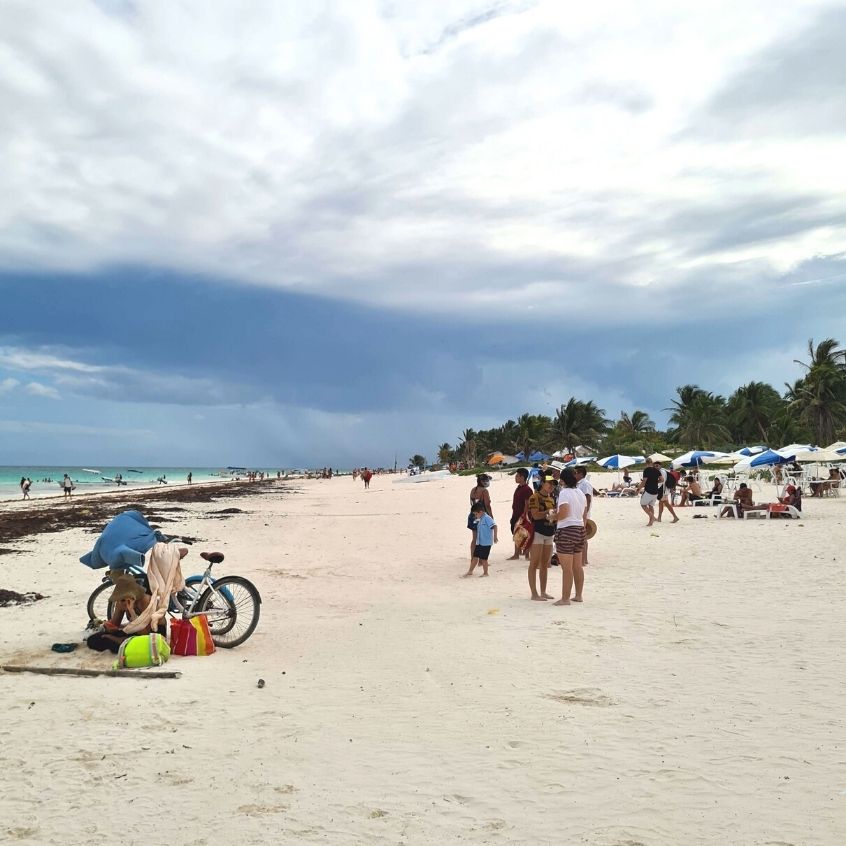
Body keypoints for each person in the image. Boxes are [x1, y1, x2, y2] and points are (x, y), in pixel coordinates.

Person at [552, 468, 587, 605]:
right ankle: (578, 595)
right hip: (579, 529)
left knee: (566, 568)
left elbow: (564, 513)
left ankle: (565, 598)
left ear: (563, 479)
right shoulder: (580, 493)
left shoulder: (564, 493)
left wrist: (553, 517)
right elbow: (583, 513)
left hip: (566, 530)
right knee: (577, 566)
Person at [526, 476, 557, 600]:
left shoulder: (551, 498)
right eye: (549, 483)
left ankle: (543, 591)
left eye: (553, 484)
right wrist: (548, 512)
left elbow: (552, 516)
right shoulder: (535, 497)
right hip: (538, 532)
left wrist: (554, 516)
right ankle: (534, 593)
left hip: (549, 532)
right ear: (542, 483)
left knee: (545, 564)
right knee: (534, 563)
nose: (551, 486)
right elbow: (535, 516)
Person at [462, 502, 497, 577]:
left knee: (484, 559)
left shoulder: (487, 518)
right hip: (479, 542)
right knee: (475, 557)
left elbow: (495, 526)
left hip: (486, 543)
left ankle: (486, 573)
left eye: (475, 514)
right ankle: (470, 571)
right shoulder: (480, 518)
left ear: (480, 512)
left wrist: (495, 537)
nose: (475, 516)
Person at [507, 469, 533, 561]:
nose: (516, 477)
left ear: (522, 477)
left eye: (517, 476)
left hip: (522, 516)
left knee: (523, 534)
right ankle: (516, 554)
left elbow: (527, 504)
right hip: (515, 514)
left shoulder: (527, 489)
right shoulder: (519, 487)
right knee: (516, 534)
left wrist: (524, 517)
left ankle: (526, 555)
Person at [467, 474, 493, 565]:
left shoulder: (472, 490)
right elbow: (487, 505)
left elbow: (472, 504)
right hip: (481, 517)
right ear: (482, 482)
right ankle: (481, 561)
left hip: (472, 516)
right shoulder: (484, 491)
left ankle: (473, 559)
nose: (487, 482)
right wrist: (491, 516)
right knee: (482, 539)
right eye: (486, 480)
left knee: (474, 539)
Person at [573, 466, 595, 564]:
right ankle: (582, 559)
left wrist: (584, 515)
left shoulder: (585, 484)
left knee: (583, 537)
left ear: (580, 474)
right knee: (580, 537)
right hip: (579, 513)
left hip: (583, 514)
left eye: (575, 473)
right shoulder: (578, 484)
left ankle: (584, 559)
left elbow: (588, 500)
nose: (574, 475)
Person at [636, 459, 661, 526]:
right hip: (656, 491)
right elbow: (662, 480)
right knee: (651, 505)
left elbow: (644, 481)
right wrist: (655, 482)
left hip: (648, 491)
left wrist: (638, 489)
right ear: (652, 463)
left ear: (646, 463)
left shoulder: (646, 470)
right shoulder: (657, 470)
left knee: (643, 504)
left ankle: (652, 517)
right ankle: (651, 522)